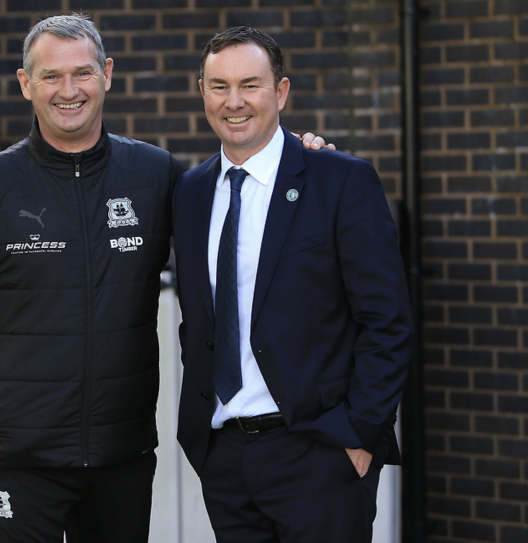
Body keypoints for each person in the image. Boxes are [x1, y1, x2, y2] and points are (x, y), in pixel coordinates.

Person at [0, 14, 328, 543]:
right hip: (20, 460)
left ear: (107, 74)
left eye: (83, 73)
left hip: (122, 455)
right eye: (51, 76)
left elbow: (244, 216)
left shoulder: (156, 175)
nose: (69, 91)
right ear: (26, 84)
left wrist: (300, 160)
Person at [173, 27, 413, 543]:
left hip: (319, 455)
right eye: (219, 86)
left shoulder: (339, 181)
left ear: (280, 92)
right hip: (226, 459)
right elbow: (200, 320)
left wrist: (358, 436)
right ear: (202, 92)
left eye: (250, 85)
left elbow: (387, 322)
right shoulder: (190, 192)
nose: (234, 102)